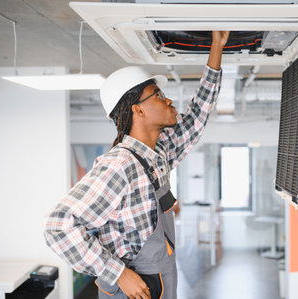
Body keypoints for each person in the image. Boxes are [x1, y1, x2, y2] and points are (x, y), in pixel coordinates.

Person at [44, 31, 230, 299]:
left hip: (161, 280)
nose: (168, 100)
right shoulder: (120, 165)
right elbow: (58, 225)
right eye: (158, 95)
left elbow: (197, 116)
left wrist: (216, 50)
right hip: (134, 288)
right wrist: (117, 273)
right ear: (138, 110)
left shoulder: (158, 154)